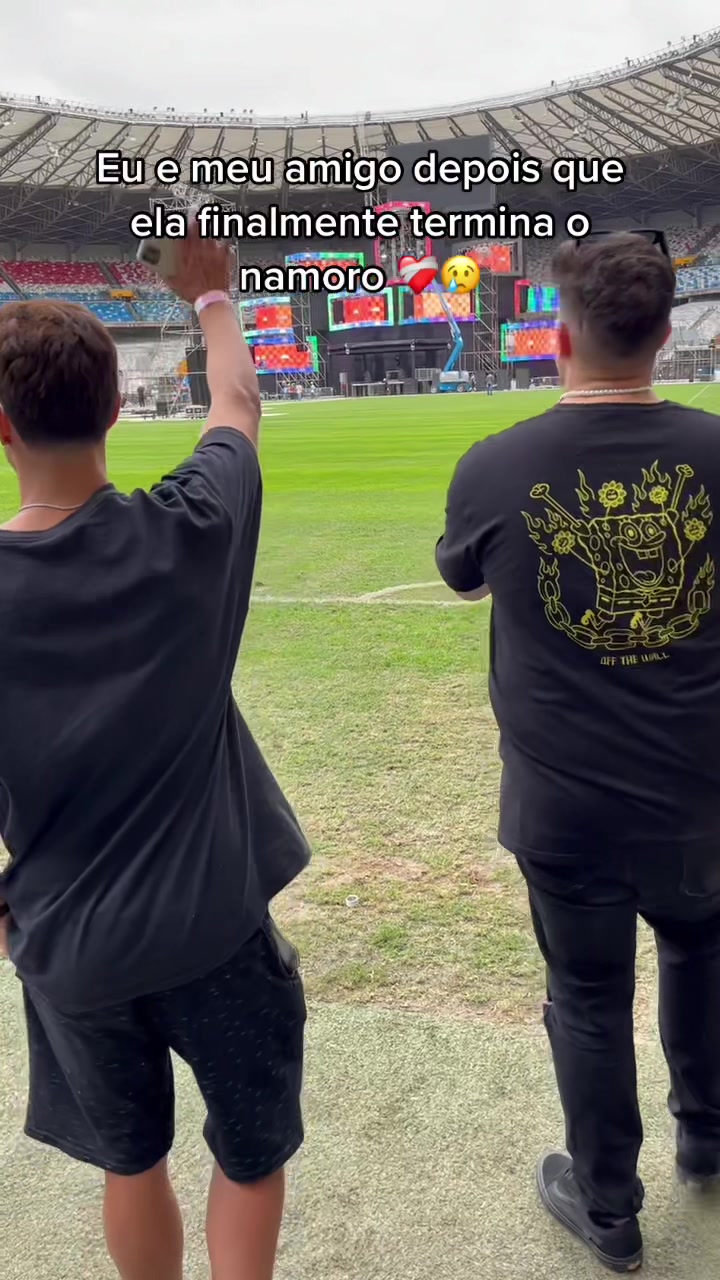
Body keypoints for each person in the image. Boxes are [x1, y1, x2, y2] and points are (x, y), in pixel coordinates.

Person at [0, 229, 309, 1280]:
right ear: (118, 410)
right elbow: (239, 406)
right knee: (251, 1153)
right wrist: (212, 296)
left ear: (2, 427)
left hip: (72, 951)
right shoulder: (191, 530)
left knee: (130, 1160)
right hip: (216, 929)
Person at [436, 232, 720, 1273]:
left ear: (559, 339)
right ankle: (708, 1137)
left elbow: (465, 580)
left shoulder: (495, 464)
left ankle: (609, 1210)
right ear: (664, 335)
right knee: (701, 953)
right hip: (701, 793)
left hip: (566, 808)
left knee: (590, 1000)